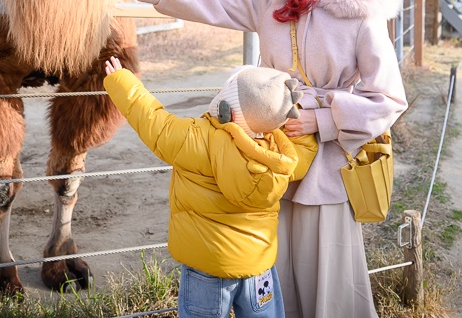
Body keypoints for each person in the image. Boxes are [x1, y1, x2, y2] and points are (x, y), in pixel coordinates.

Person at [116, 0, 408, 318]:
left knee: (325, 272)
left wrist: (322, 122)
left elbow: (389, 99)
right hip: (266, 154)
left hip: (326, 166)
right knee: (270, 265)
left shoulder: (363, 18)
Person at [103, 57, 317, 318]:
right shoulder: (280, 155)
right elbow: (305, 153)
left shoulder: (195, 137)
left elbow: (153, 122)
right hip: (257, 264)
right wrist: (290, 119)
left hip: (207, 266)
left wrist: (122, 81)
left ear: (228, 106)